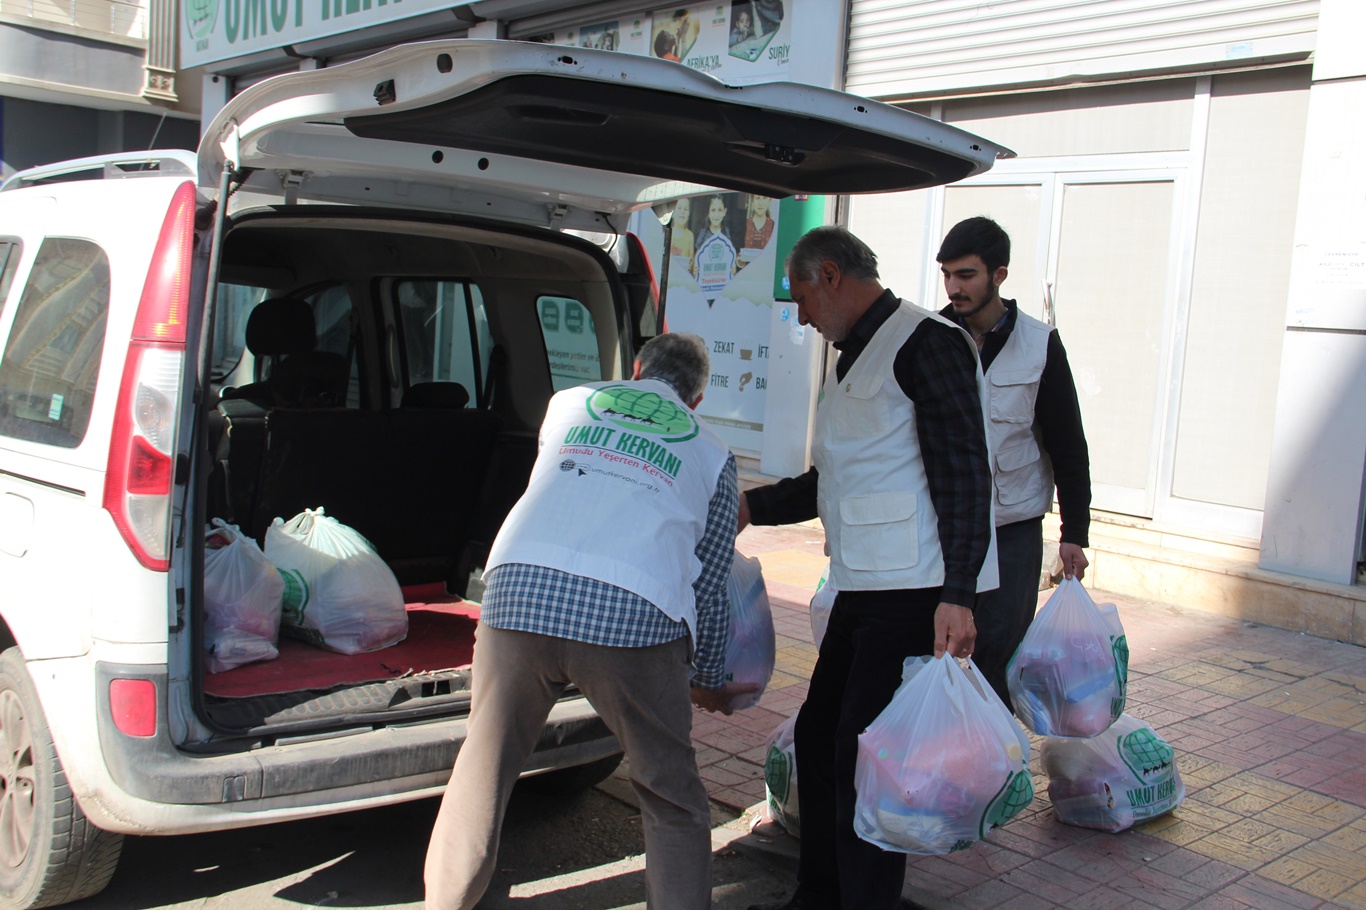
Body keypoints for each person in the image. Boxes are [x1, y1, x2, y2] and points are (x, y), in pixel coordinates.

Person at [424, 333, 754, 910]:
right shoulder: (713, 452)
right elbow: (709, 578)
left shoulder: (570, 403)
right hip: (634, 613)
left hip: (520, 594)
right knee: (671, 797)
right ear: (697, 399)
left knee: (482, 771)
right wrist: (707, 673)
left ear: (635, 370)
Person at [740, 226, 997, 910]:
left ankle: (864, 900)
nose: (800, 315)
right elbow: (840, 479)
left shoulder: (925, 343)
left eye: (799, 296)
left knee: (865, 758)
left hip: (916, 592)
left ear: (830, 275)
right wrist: (751, 508)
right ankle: (822, 892)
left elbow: (966, 473)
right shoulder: (855, 354)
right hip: (863, 588)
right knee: (823, 740)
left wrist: (960, 594)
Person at [936, 216, 1092, 710]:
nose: (953, 287)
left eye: (966, 275)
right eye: (947, 275)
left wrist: (1075, 532)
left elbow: (1068, 443)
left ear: (999, 275)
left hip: (1013, 530)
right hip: (944, 527)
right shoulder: (932, 337)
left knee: (999, 658)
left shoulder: (1040, 344)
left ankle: (990, 772)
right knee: (932, 649)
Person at [671, 196, 697, 276]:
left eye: (685, 209)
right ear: (672, 213)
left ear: (689, 214)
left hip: (684, 276)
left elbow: (691, 259)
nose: (682, 212)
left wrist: (690, 265)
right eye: (679, 208)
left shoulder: (689, 235)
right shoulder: (668, 233)